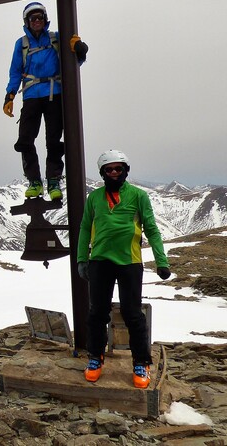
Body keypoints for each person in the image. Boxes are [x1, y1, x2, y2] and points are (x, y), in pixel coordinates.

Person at [76, 149, 171, 389]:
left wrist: (161, 261)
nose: (114, 173)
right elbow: (85, 228)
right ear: (102, 173)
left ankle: (141, 362)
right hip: (100, 261)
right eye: (109, 169)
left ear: (125, 170)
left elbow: (151, 229)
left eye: (118, 168)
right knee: (97, 313)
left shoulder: (139, 196)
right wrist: (82, 259)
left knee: (132, 313)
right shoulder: (94, 198)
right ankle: (95, 357)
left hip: (129, 262)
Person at [3, 2, 88, 201]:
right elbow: (15, 71)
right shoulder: (21, 44)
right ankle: (34, 181)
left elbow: (73, 62)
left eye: (40, 17)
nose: (37, 21)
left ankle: (53, 180)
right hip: (31, 95)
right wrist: (10, 95)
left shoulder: (56, 38)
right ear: (27, 21)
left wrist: (80, 50)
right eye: (33, 18)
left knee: (54, 140)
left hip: (54, 94)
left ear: (45, 18)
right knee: (25, 139)